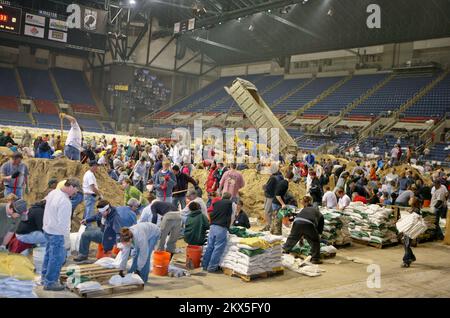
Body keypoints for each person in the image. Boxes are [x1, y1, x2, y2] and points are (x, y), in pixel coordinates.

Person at [42, 178, 80, 291]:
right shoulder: (65, 202)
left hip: (48, 229)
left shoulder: (53, 192)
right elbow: (64, 225)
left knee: (48, 255)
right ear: (71, 187)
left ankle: (45, 278)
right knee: (56, 258)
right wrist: (67, 241)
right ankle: (50, 282)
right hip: (57, 233)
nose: (75, 193)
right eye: (76, 190)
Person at [282, 196, 324, 264]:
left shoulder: (304, 209)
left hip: (297, 222)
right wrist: (318, 234)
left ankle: (285, 251)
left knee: (292, 237)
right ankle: (315, 259)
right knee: (315, 241)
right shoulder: (320, 214)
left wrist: (301, 238)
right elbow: (319, 227)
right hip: (308, 223)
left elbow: (301, 229)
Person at [202, 192, 235, 273]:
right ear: (230, 198)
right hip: (221, 227)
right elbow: (232, 216)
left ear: (222, 197)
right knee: (218, 248)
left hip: (213, 226)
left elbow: (210, 212)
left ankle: (205, 265)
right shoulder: (231, 204)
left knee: (210, 246)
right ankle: (212, 268)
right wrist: (229, 227)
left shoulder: (216, 203)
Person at [401, 197, 421, 268]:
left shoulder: (416, 210)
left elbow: (413, 220)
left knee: (406, 245)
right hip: (409, 230)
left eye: (410, 200)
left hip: (410, 230)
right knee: (406, 244)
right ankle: (412, 257)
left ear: (414, 202)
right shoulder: (414, 209)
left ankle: (406, 261)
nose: (408, 200)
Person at [262, 163, 282, 230]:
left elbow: (268, 188)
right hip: (275, 196)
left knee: (267, 212)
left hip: (270, 196)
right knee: (271, 212)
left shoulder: (273, 178)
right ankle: (269, 225)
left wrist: (264, 187)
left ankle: (270, 226)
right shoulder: (280, 176)